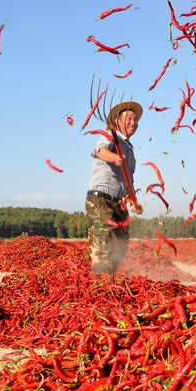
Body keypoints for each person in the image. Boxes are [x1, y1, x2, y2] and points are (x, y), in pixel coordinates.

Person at [85, 101, 144, 274]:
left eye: (135, 119)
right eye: (129, 118)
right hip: (101, 199)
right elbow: (99, 151)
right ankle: (99, 285)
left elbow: (128, 181)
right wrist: (114, 158)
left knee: (121, 242)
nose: (133, 122)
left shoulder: (130, 150)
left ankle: (108, 281)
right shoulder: (111, 137)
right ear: (117, 122)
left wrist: (134, 201)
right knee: (102, 244)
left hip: (119, 202)